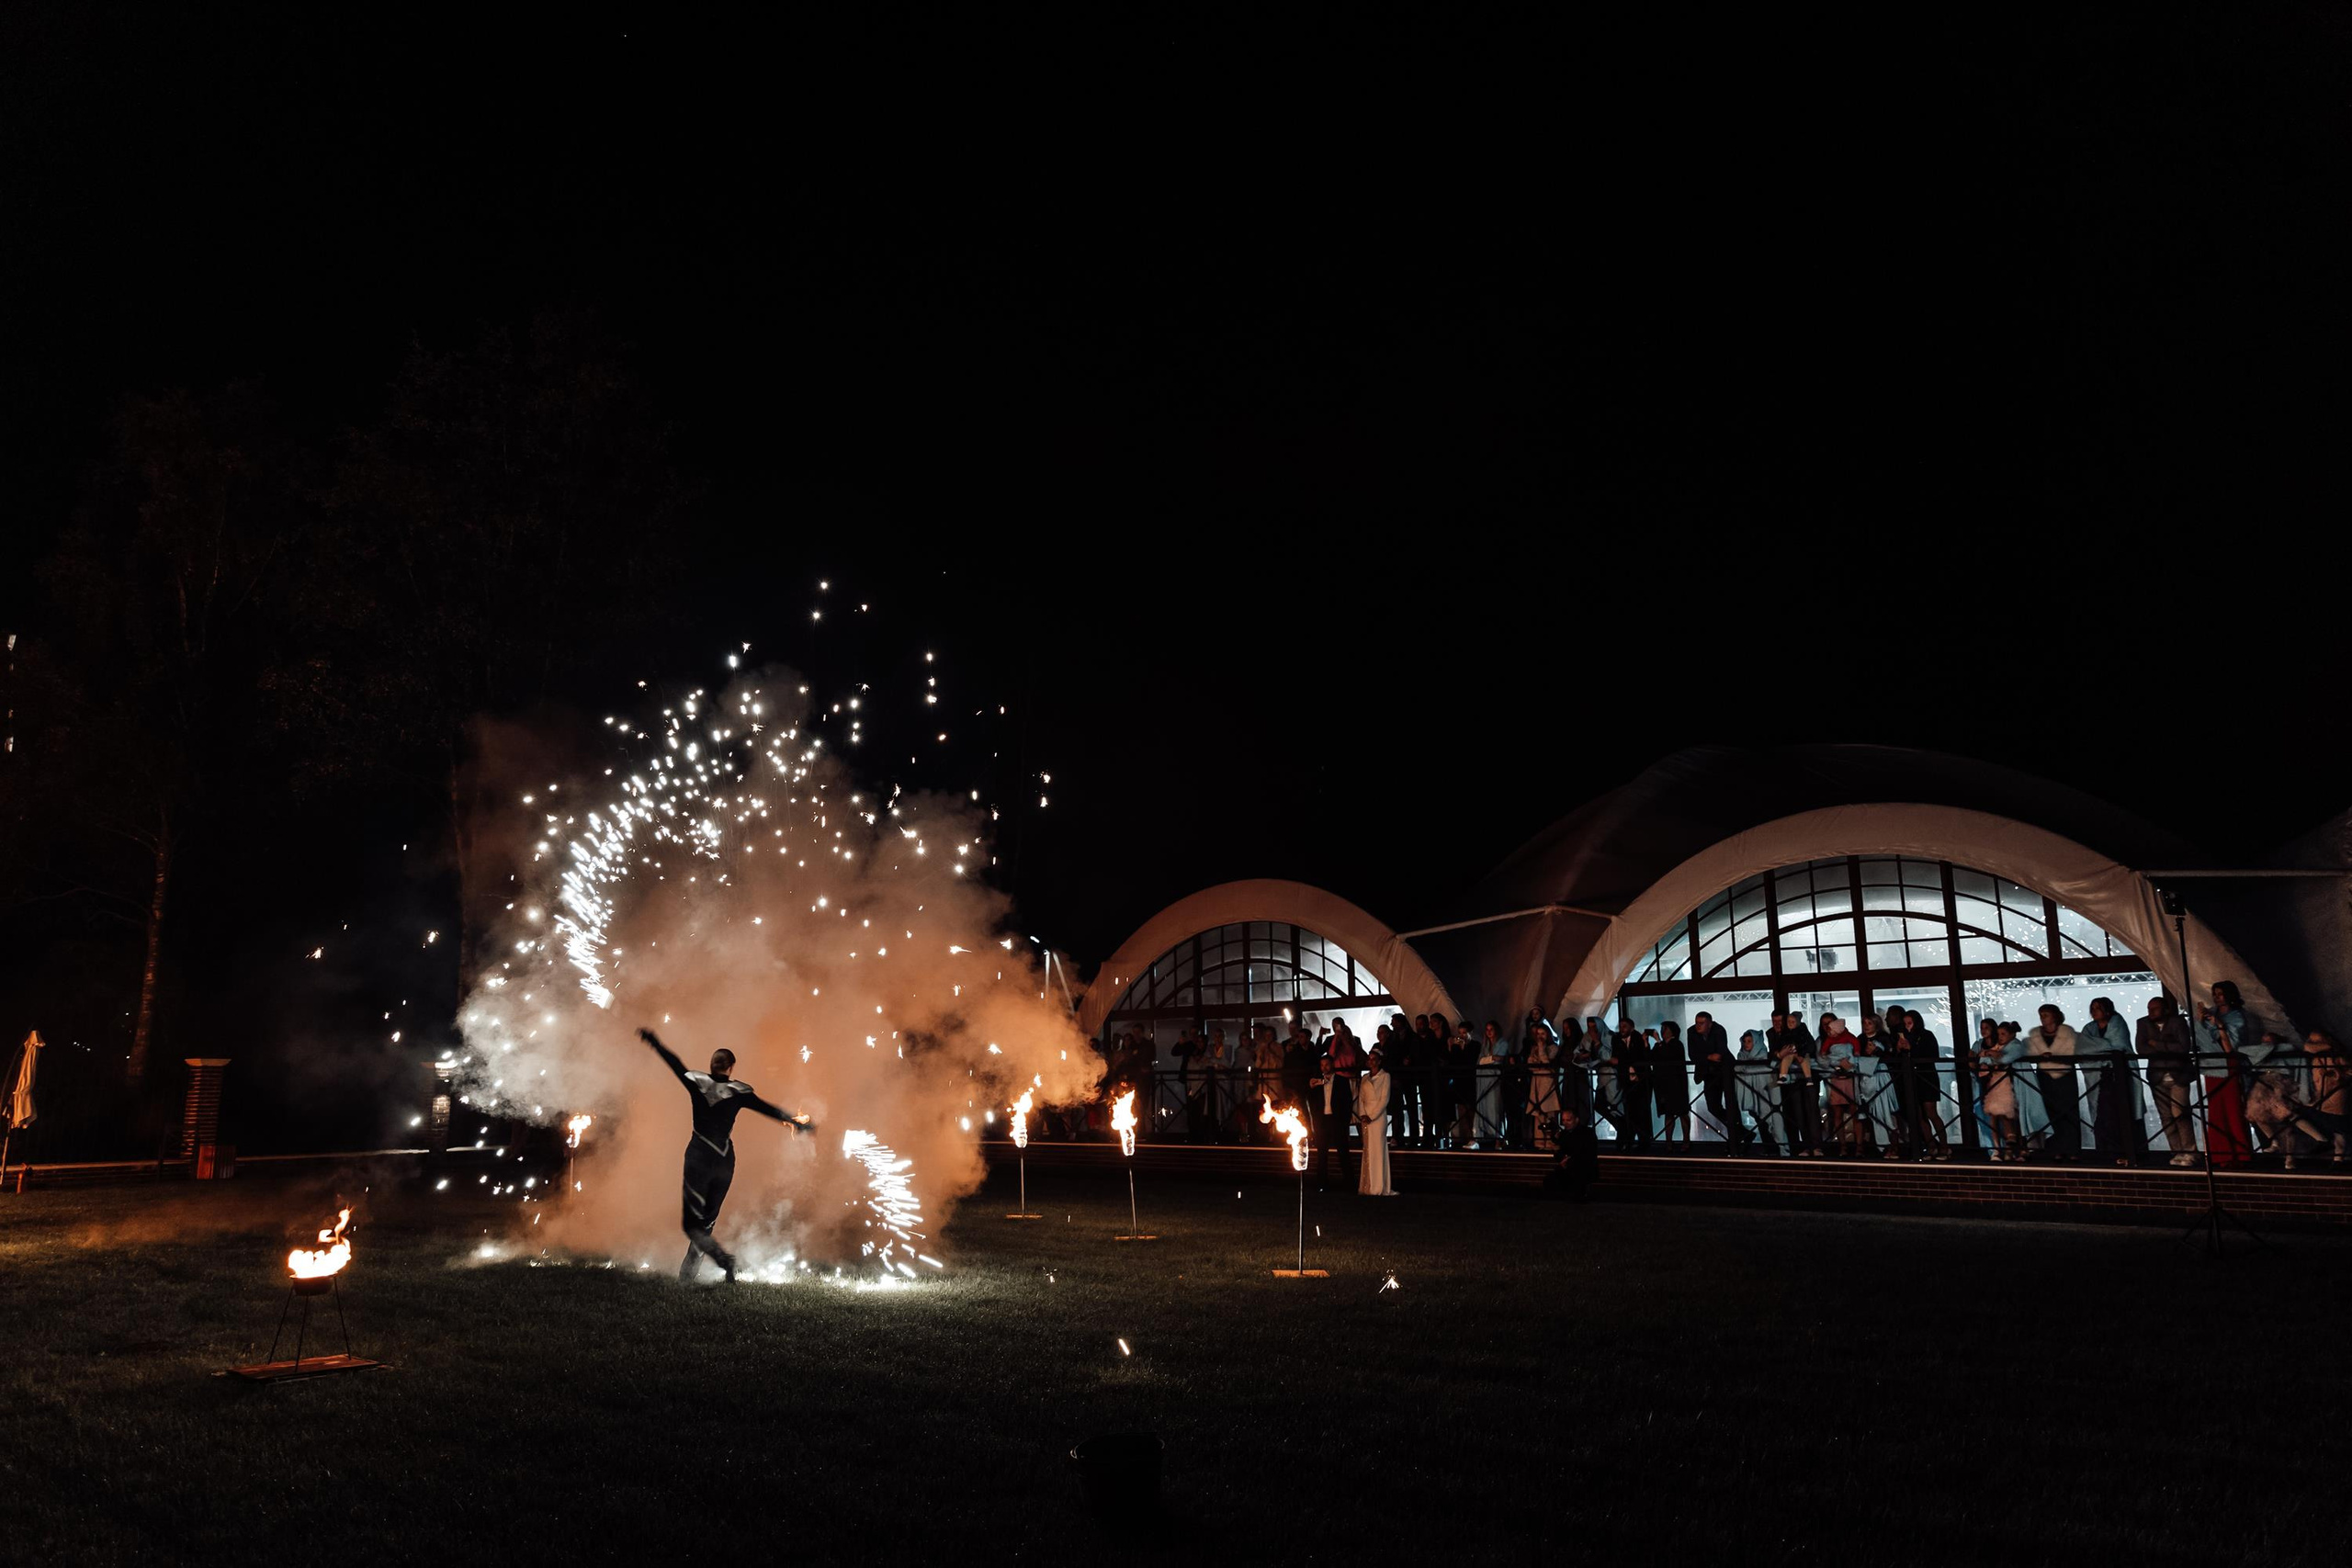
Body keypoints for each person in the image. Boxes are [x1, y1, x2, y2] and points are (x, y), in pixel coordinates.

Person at [636, 1026, 812, 1282]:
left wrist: (654, 1042)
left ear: (713, 1064)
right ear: (731, 1068)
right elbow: (769, 1110)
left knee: (696, 1221)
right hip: (723, 1159)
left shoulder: (698, 1082)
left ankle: (706, 1265)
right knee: (708, 1218)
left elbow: (674, 1063)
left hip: (699, 1156)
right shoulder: (738, 1091)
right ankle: (699, 1267)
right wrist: (797, 1123)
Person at [2196, 981, 2255, 1169]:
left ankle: (2241, 1154)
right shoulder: (2211, 1013)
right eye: (2214, 993)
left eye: (2220, 994)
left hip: (2229, 1065)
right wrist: (2202, 1021)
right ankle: (2220, 1154)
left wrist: (2220, 1026)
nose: (2217, 997)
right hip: (2212, 1066)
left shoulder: (2237, 1017)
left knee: (2232, 1109)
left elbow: (2232, 1047)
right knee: (2216, 1111)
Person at [2079, 997, 2143, 1167]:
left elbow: (2118, 1045)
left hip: (2118, 1077)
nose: (2094, 1011)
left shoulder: (2117, 1023)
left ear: (2107, 1009)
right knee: (2102, 1115)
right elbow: (2082, 1047)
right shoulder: (2089, 1028)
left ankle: (2124, 1152)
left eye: (2098, 1007)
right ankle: (2105, 1152)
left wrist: (2096, 1047)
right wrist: (2102, 1047)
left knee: (2119, 1114)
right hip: (2099, 1078)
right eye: (2092, 1008)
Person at [2137, 995, 2198, 1166]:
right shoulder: (2143, 1023)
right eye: (2149, 1009)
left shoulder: (2177, 1022)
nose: (2151, 1012)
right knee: (2166, 1117)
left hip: (2179, 1075)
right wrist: (2169, 1046)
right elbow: (2141, 1049)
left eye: (2154, 1009)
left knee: (2180, 1114)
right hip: (2157, 1076)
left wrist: (2156, 1044)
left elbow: (2184, 1047)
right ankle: (2177, 1151)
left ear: (2165, 1009)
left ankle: (2190, 1152)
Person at [2024, 1005, 2081, 1162]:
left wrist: (2054, 1056)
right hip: (2045, 1076)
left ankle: (2072, 1149)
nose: (2043, 1017)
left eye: (2046, 1014)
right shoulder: (2036, 1035)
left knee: (2069, 1111)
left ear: (2055, 1016)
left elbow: (2074, 1052)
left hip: (2065, 1076)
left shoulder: (2068, 1034)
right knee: (2050, 1112)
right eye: (2041, 1014)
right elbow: (2028, 1052)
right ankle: (2055, 1149)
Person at [1313, 1021, 1362, 1182]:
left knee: (1343, 1151)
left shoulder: (1341, 1081)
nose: (1324, 1067)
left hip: (1337, 1119)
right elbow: (1313, 1102)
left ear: (1332, 1065)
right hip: (1323, 1120)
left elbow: (1347, 1101)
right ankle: (1321, 1183)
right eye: (1322, 1065)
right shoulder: (1318, 1083)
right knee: (1322, 1153)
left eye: (1327, 1064)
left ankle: (1349, 1182)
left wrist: (1343, 1120)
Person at [1688, 1010, 1742, 1149]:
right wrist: (1707, 1057)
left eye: (1701, 1023)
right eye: (1696, 1023)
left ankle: (1737, 1137)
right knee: (1712, 1106)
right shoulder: (1691, 1032)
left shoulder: (1719, 1030)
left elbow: (1719, 1054)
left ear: (1709, 1024)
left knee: (1732, 1105)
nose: (1697, 1026)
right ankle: (1740, 1132)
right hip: (1708, 1073)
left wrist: (1705, 1056)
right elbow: (1693, 1055)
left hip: (1724, 1071)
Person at [1770, 1010, 1819, 1156]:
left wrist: (1801, 1053)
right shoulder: (1775, 1035)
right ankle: (1803, 1146)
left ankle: (1816, 1146)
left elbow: (1810, 1046)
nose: (1777, 1024)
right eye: (1775, 1021)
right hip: (1791, 1080)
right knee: (1797, 1114)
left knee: (1811, 1112)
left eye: (1780, 1021)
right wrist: (1779, 1054)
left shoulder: (1801, 1032)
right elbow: (1772, 1052)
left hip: (1805, 1076)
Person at [1818, 1014, 1866, 1156]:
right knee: (1837, 1113)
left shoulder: (1848, 1037)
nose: (1827, 1026)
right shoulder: (1823, 1041)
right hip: (1835, 1079)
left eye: (1829, 1023)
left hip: (1850, 1078)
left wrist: (1852, 1060)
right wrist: (1836, 1062)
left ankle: (1859, 1146)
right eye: (1824, 1024)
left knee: (1855, 1112)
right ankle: (1842, 1146)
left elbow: (1855, 1051)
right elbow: (1822, 1059)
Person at [1735, 1029, 1783, 1156]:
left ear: (1756, 1042)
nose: (1746, 1044)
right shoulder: (1741, 1057)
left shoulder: (1765, 1056)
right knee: (1761, 1123)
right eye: (1744, 1041)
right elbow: (1738, 1069)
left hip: (1766, 1096)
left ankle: (1775, 1149)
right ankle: (1769, 1149)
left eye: (1749, 1041)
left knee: (1770, 1122)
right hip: (1753, 1096)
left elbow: (1769, 1070)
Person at [1355, 1046, 1396, 1196]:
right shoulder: (1365, 1078)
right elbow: (1361, 1098)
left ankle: (1379, 1186)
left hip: (1377, 1117)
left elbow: (1384, 1099)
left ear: (1379, 1061)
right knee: (1368, 1149)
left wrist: (1371, 1115)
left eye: (1373, 1059)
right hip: (1366, 1117)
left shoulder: (1385, 1077)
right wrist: (1362, 1114)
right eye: (1369, 1059)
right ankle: (1368, 1184)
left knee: (1378, 1149)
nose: (1371, 1062)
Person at [1978, 1021, 2021, 1160]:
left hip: (2005, 1083)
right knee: (1995, 1116)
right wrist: (1987, 1058)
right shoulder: (1998, 1047)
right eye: (1999, 1034)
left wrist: (1990, 1056)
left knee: (2007, 1115)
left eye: (2003, 1034)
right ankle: (1997, 1149)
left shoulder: (2014, 1046)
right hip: (1994, 1083)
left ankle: (2010, 1148)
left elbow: (2003, 1059)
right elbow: (1983, 1059)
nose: (2000, 1037)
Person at [1650, 1021, 1693, 1148]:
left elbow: (1667, 1056)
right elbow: (1652, 1057)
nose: (1663, 1031)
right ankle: (1668, 1141)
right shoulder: (1660, 1045)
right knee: (1668, 1113)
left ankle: (1686, 1140)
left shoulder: (1677, 1044)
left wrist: (1657, 1041)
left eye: (1665, 1028)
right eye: (1662, 1028)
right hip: (1663, 1083)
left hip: (1676, 1083)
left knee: (1682, 1112)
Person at [1612, 1017, 1653, 1148]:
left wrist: (1636, 1071)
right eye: (1620, 1026)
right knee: (1630, 1111)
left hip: (1641, 1081)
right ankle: (1630, 1139)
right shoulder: (1616, 1039)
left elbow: (1643, 1057)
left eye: (1624, 1026)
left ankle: (1644, 1141)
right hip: (1626, 1080)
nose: (1621, 1029)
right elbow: (1617, 1058)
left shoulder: (1638, 1038)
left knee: (1642, 1111)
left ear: (1632, 1027)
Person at [1524, 1021, 1562, 1152]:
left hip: (1547, 1083)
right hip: (1537, 1083)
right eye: (1538, 1034)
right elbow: (1530, 1064)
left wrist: (1541, 1050)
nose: (1540, 1036)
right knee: (1538, 1112)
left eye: (1543, 1033)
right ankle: (1540, 1143)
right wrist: (1539, 1063)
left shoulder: (1553, 1048)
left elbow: (1547, 1063)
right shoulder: (1533, 1048)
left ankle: (1552, 1142)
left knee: (1549, 1112)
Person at [1475, 1021, 1510, 1148]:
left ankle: (1498, 1137)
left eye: (1491, 1029)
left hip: (1495, 1079)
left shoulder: (1503, 1043)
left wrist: (1489, 1060)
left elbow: (1500, 1059)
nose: (1489, 1032)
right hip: (1483, 1080)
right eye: (1487, 1029)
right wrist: (1492, 1058)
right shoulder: (1485, 1045)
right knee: (1483, 1107)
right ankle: (1481, 1136)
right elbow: (1479, 1061)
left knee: (1495, 1108)